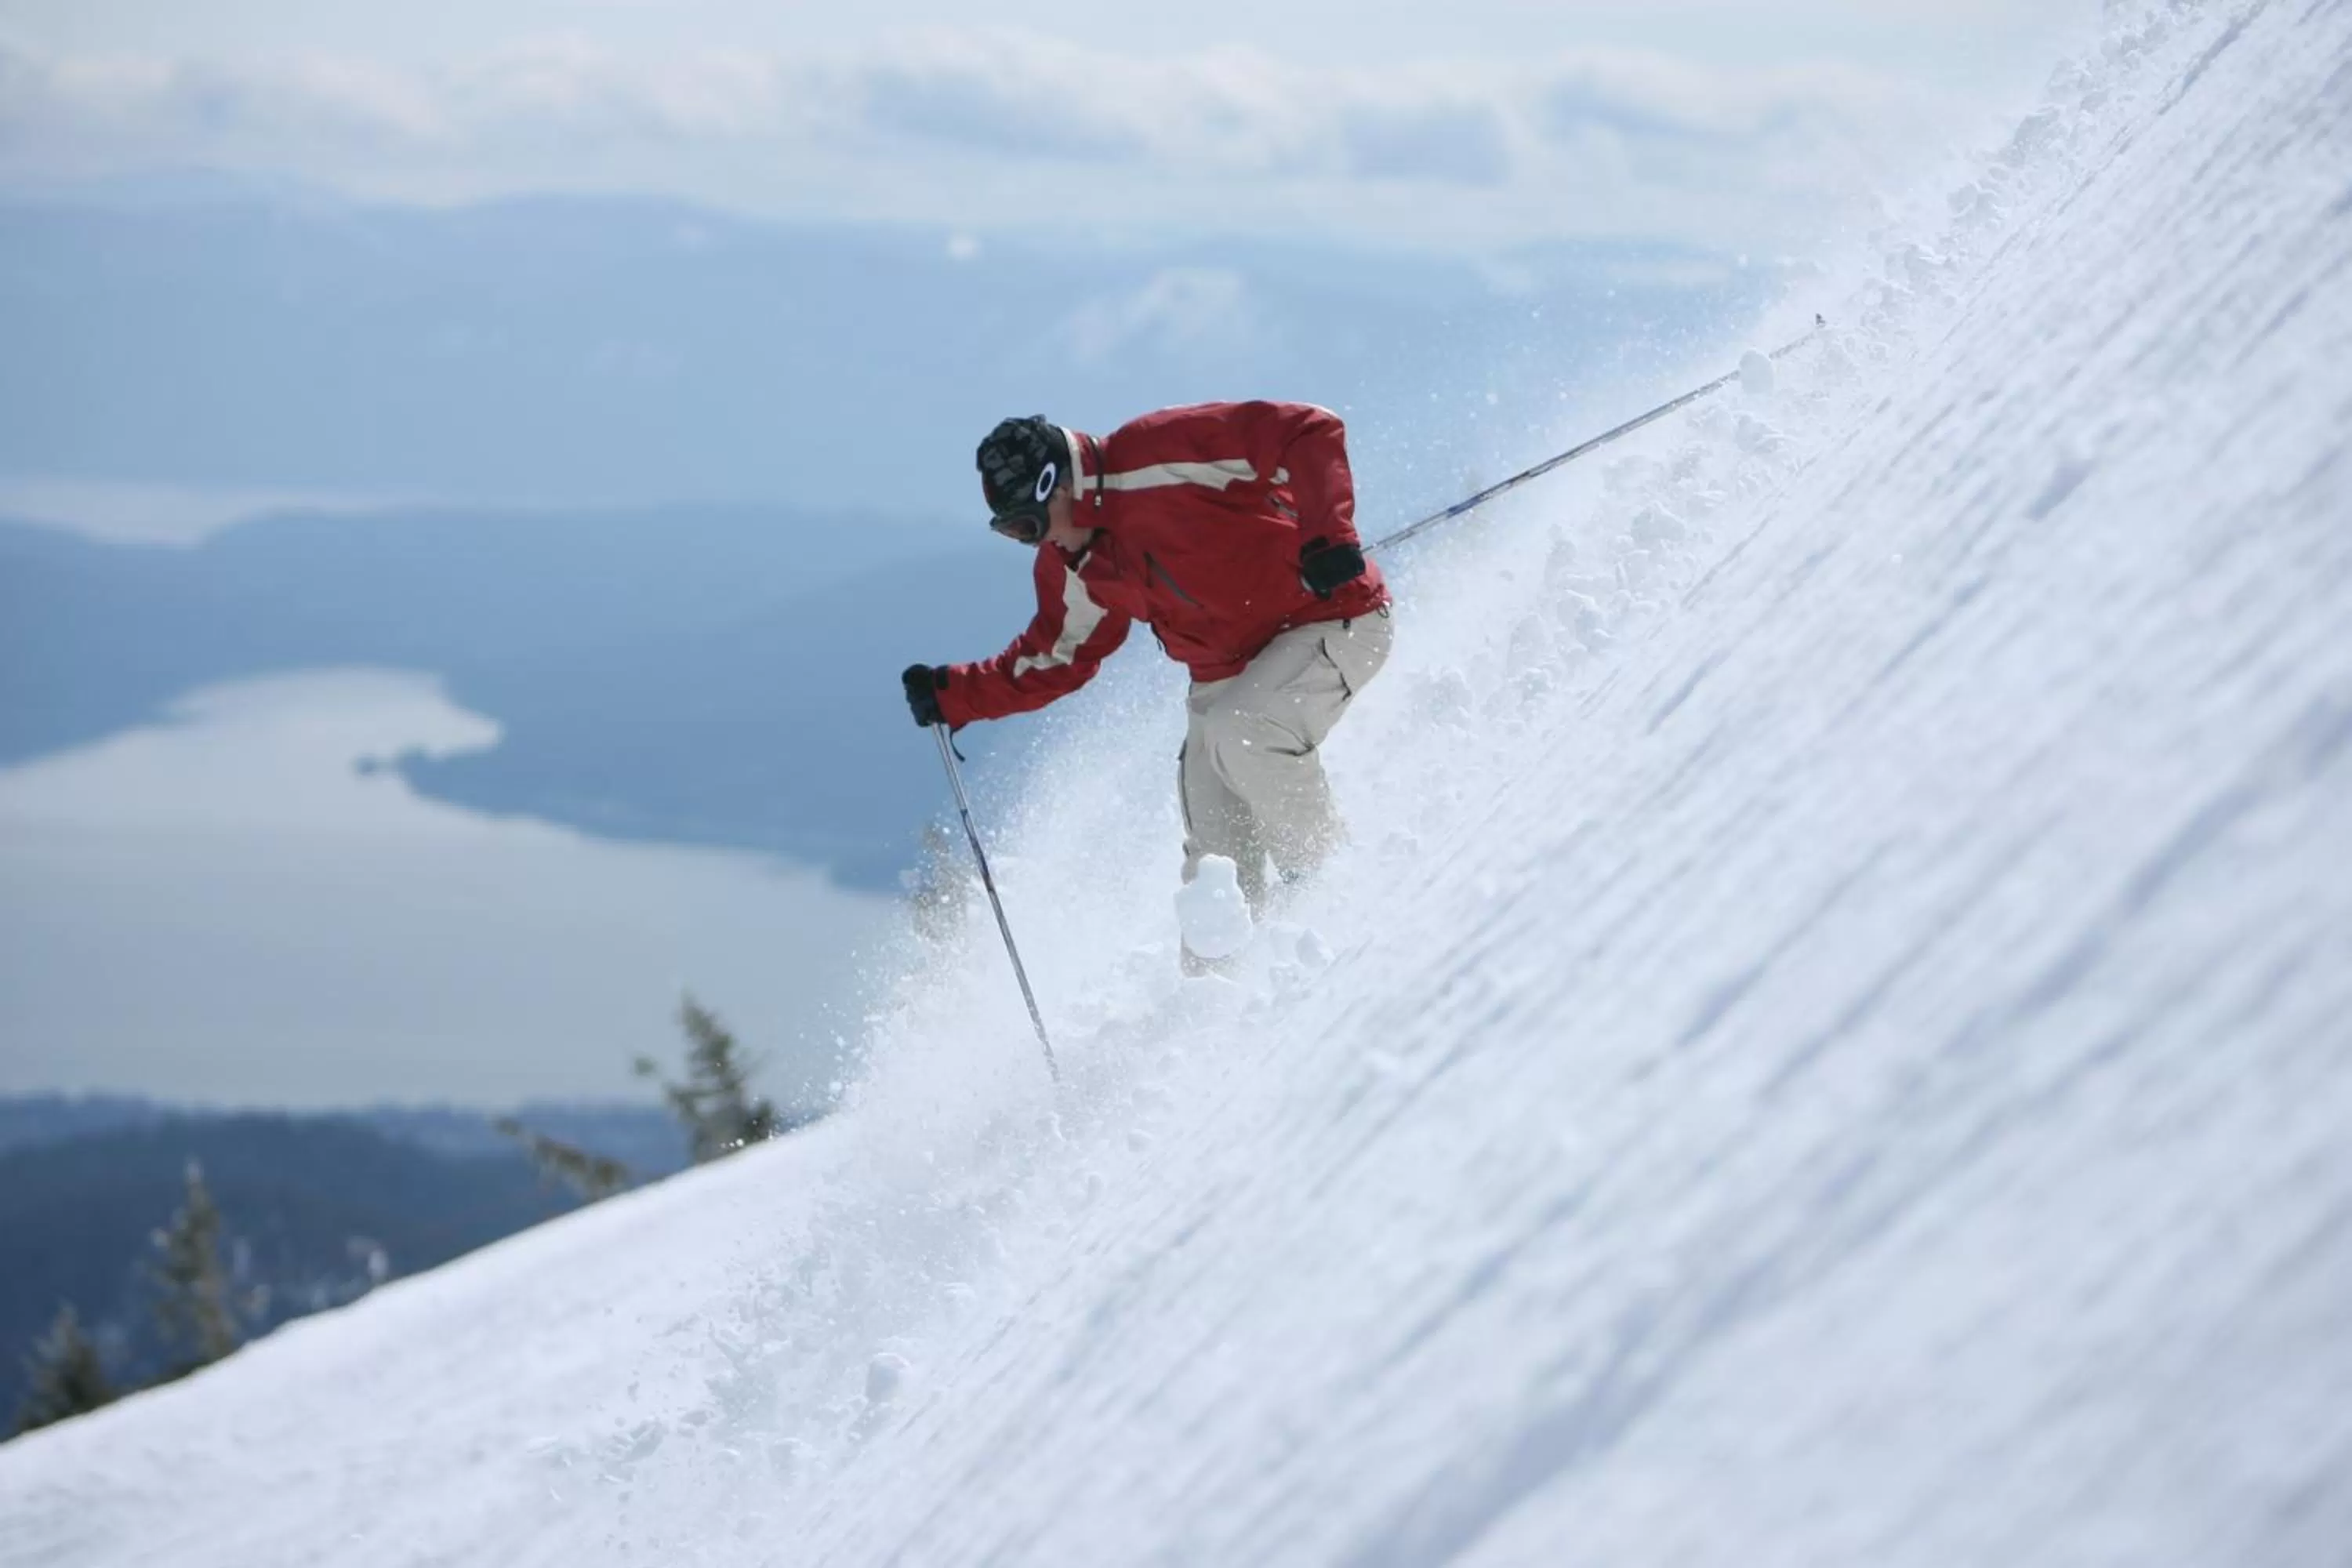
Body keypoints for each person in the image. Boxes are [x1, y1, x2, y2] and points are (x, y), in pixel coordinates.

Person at [902, 402, 1393, 951]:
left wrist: (1330, 536)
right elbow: (1055, 657)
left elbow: (1306, 430)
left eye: (1028, 524)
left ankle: (1338, 895)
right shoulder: (1072, 563)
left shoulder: (1155, 455)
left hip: (1331, 617)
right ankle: (1219, 1006)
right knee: (1214, 861)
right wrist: (955, 694)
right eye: (1014, 533)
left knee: (1245, 731)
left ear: (1057, 484)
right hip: (1225, 676)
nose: (1034, 542)